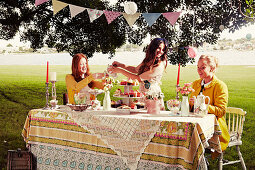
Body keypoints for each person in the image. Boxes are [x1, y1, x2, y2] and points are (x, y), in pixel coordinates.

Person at [108, 38, 168, 110]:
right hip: (142, 94)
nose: (161, 51)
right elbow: (135, 70)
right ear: (153, 47)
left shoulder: (160, 65)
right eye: (159, 48)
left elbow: (138, 78)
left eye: (163, 49)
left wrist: (120, 70)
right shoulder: (148, 60)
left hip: (152, 95)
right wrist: (120, 65)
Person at [189, 55, 230, 155]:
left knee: (190, 139)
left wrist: (203, 106)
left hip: (214, 129)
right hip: (196, 124)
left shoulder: (220, 86)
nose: (199, 70)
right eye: (198, 67)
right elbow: (191, 108)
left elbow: (221, 111)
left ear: (212, 68)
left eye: (203, 67)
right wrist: (189, 102)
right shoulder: (195, 84)